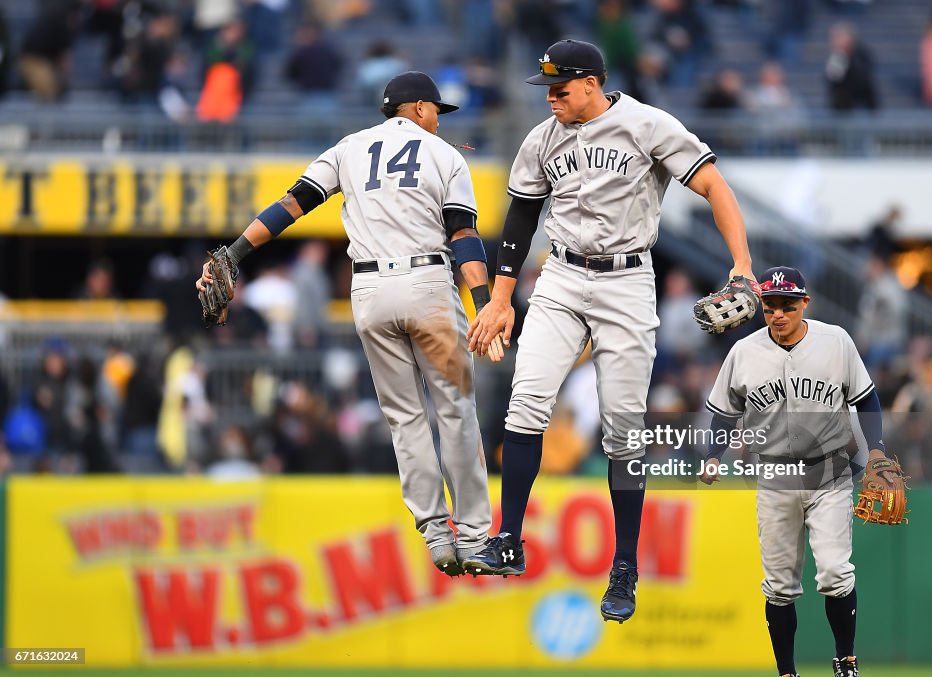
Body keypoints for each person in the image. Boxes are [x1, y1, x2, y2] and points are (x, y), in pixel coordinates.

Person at [463, 39, 757, 623]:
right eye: (546, 88)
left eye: (560, 88)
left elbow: (714, 186)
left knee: (624, 431)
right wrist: (500, 297)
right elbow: (521, 214)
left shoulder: (646, 124)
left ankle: (624, 566)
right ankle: (509, 537)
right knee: (525, 404)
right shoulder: (542, 137)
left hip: (627, 279)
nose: (550, 97)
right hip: (562, 275)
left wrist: (742, 267)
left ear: (592, 83)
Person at [196, 71, 503, 575]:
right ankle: (470, 538)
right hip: (427, 285)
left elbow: (290, 205)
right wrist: (485, 304)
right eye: (436, 112)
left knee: (405, 417)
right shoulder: (445, 155)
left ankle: (434, 535)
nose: (438, 122)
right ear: (421, 108)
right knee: (455, 410)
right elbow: (464, 236)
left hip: (369, 294)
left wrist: (233, 252)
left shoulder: (349, 148)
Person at [700, 266, 896, 677]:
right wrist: (714, 454)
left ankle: (846, 661)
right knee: (779, 587)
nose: (778, 314)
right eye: (770, 306)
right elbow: (722, 413)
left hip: (829, 474)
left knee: (835, 573)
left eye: (787, 306)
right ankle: (786, 672)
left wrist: (876, 449)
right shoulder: (744, 352)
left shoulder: (835, 341)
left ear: (805, 304)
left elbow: (866, 399)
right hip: (774, 477)